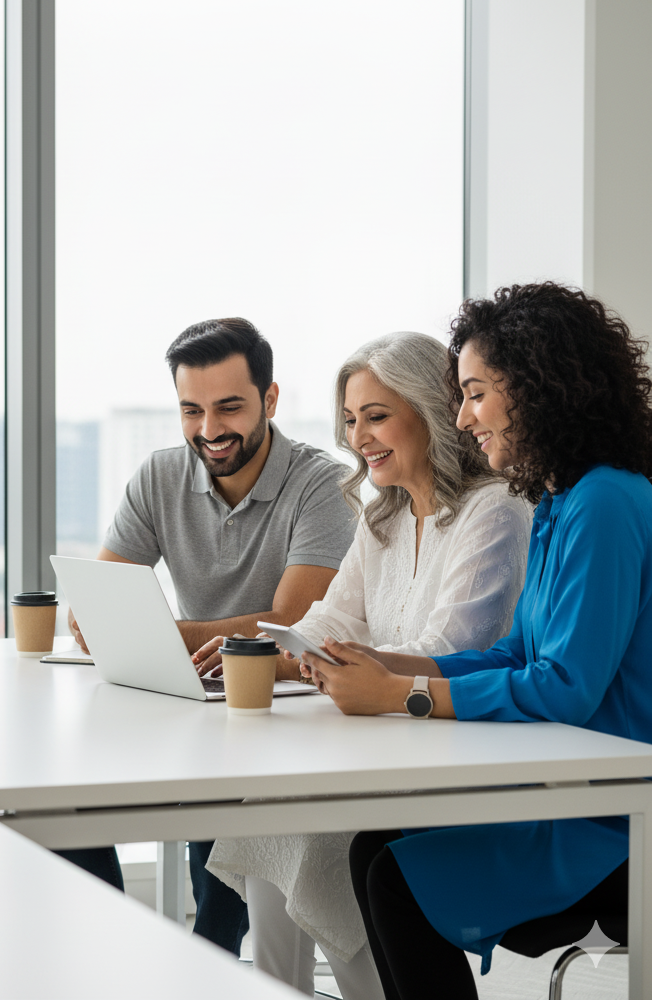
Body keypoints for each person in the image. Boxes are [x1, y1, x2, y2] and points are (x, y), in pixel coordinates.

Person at [309, 284, 652, 1000]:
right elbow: (515, 655)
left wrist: (402, 696)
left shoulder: (608, 503)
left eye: (474, 394)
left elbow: (567, 685)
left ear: (533, 389)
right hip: (576, 789)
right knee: (379, 847)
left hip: (615, 817)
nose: (462, 418)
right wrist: (396, 666)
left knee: (393, 873)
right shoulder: (562, 501)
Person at [193, 330, 532, 997]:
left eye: (376, 416)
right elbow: (329, 623)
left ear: (432, 410)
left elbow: (449, 655)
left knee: (321, 836)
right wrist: (267, 648)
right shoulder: (383, 517)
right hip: (386, 746)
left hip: (460, 758)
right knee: (265, 807)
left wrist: (340, 665)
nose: (359, 437)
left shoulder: (496, 513)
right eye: (350, 421)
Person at [65, 317, 356, 955]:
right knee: (65, 805)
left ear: (270, 400)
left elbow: (294, 624)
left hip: (281, 715)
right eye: (191, 410)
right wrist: (110, 621)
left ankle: (213, 954)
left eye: (229, 408)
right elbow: (98, 607)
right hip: (189, 703)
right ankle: (112, 945)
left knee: (219, 868)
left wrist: (157, 632)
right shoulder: (160, 476)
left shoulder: (322, 484)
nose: (209, 430)